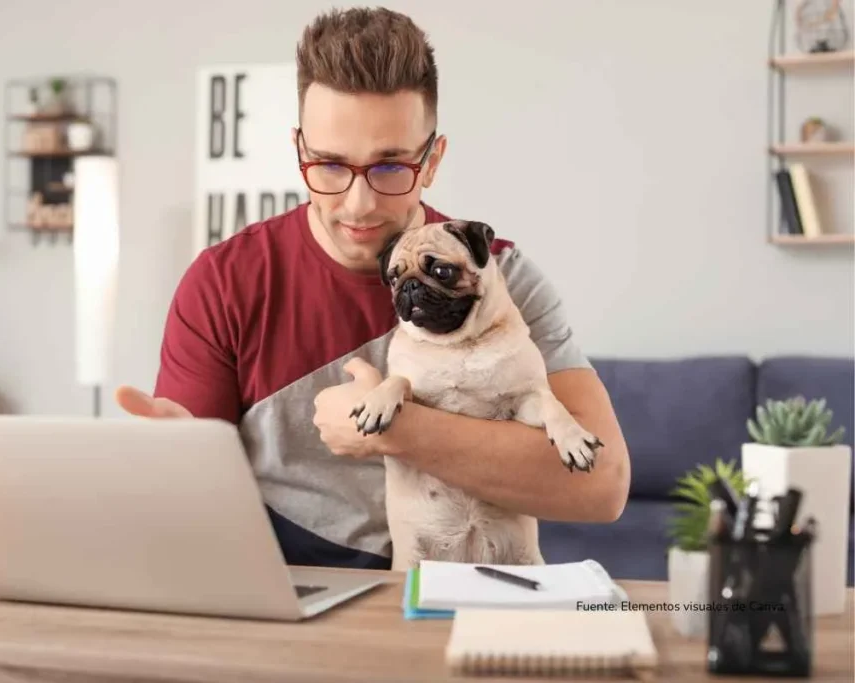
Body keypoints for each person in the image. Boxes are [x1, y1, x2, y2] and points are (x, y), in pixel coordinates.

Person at [116, 7, 630, 570]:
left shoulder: (500, 281)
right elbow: (191, 505)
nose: (359, 204)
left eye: (390, 168)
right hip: (296, 593)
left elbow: (602, 487)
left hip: (472, 595)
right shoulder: (224, 282)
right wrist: (173, 467)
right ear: (299, 153)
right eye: (329, 166)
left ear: (431, 160)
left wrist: (400, 431)